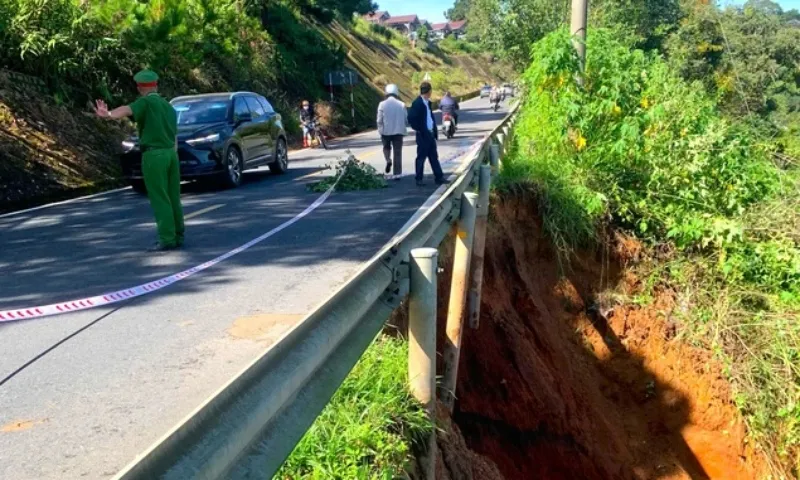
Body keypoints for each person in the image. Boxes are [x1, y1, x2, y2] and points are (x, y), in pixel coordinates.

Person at [94, 70, 184, 252]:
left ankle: (167, 238)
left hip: (154, 154)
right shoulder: (169, 107)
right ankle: (178, 234)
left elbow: (127, 110)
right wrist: (172, 153)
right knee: (173, 195)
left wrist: (108, 114)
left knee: (160, 197)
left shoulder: (145, 102)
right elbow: (174, 135)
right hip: (171, 154)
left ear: (138, 87)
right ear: (156, 85)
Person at [408, 81, 447, 187]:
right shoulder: (417, 103)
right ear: (429, 91)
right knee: (421, 157)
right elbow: (411, 118)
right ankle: (419, 178)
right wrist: (419, 129)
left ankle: (439, 177)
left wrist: (433, 130)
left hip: (430, 134)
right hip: (422, 135)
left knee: (434, 156)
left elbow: (429, 118)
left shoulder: (427, 103)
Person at [377, 83, 407, 178]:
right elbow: (406, 118)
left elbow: (379, 120)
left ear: (386, 93)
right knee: (397, 152)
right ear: (396, 93)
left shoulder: (382, 104)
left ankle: (388, 160)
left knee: (386, 147)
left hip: (386, 131)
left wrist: (381, 130)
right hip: (398, 132)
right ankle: (397, 174)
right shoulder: (402, 104)